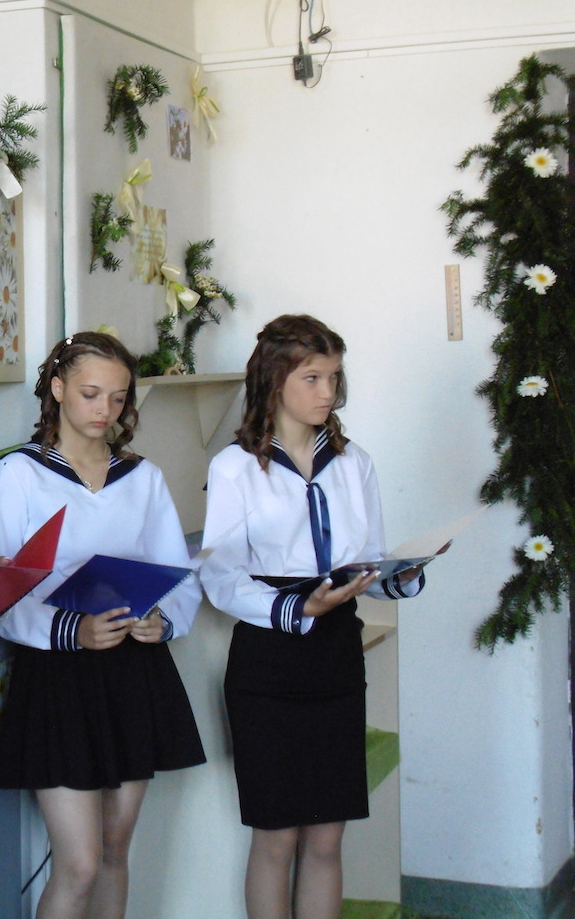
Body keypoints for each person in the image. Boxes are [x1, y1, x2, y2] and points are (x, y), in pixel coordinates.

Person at [200, 314, 426, 919]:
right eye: (312, 378)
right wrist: (295, 606)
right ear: (275, 381)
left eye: (334, 377)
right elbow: (220, 578)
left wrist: (401, 576)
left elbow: (369, 561)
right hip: (268, 661)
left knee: (327, 838)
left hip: (336, 654)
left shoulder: (356, 463)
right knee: (276, 837)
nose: (328, 392)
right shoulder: (234, 468)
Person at [0, 332, 205, 919]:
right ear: (57, 389)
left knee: (114, 851)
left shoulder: (141, 477)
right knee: (78, 863)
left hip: (133, 671)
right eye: (90, 393)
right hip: (59, 677)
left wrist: (162, 622)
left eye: (118, 397)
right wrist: (71, 631)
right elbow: (1, 593)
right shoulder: (18, 475)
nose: (105, 409)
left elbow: (177, 575)